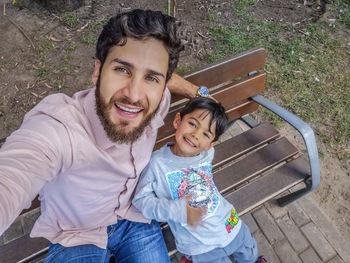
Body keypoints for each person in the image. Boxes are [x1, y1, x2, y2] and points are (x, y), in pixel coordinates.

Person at [0, 9, 199, 262]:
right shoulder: (60, 127)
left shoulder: (157, 102)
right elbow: (16, 170)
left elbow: (166, 78)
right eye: (122, 70)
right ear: (97, 71)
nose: (135, 95)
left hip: (134, 219)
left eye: (150, 78)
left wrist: (197, 92)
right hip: (76, 236)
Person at [133, 97, 267, 263]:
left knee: (249, 254)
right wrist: (176, 210)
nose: (195, 135)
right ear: (177, 120)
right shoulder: (156, 164)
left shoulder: (206, 154)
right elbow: (140, 201)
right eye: (192, 124)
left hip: (230, 224)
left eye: (205, 134)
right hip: (200, 245)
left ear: (211, 144)